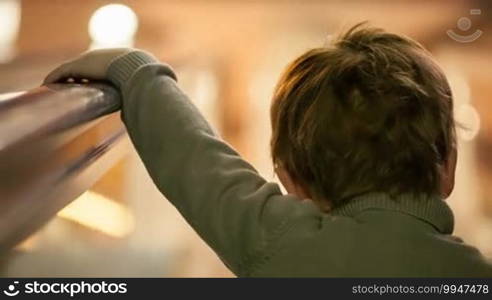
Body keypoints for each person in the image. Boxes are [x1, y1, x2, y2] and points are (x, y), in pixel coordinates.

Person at [44, 24, 492, 277]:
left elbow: (193, 157)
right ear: (448, 167)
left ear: (290, 179)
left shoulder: (282, 242)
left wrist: (135, 68)